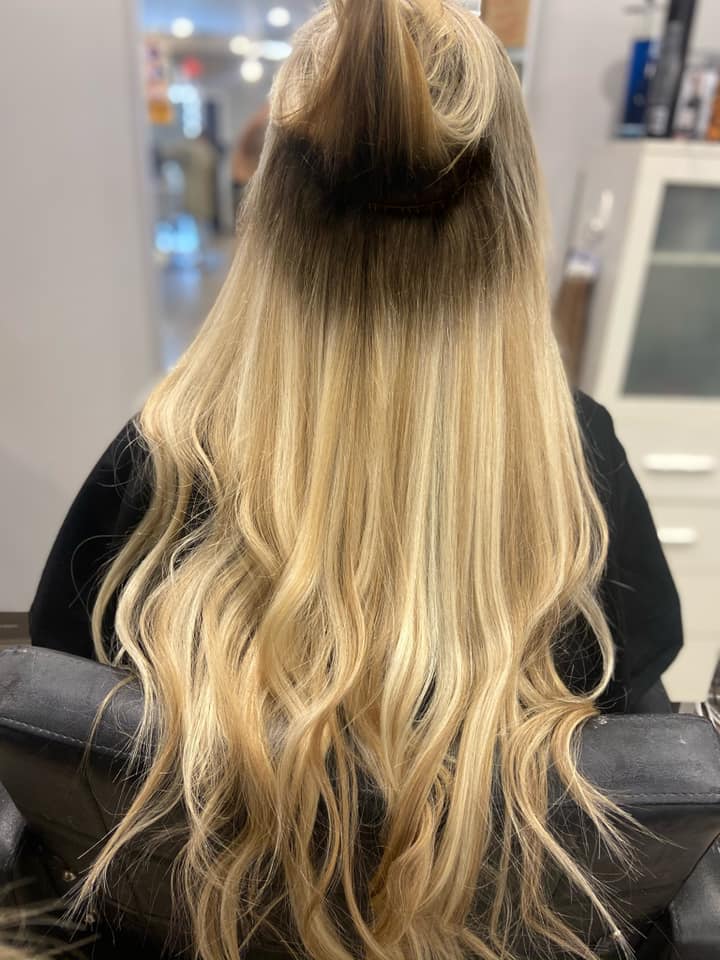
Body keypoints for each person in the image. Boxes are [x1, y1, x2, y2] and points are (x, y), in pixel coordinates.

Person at [30, 1, 682, 957]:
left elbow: (49, 739)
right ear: (515, 217)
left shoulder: (159, 459)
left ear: (270, 213)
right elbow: (649, 792)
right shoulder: (584, 471)